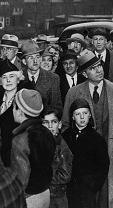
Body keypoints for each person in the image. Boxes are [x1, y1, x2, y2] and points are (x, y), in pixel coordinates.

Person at [61, 50, 113, 208]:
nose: (99, 70)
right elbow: (65, 125)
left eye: (99, 66)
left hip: (110, 154)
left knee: (107, 196)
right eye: (93, 68)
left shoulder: (112, 89)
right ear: (84, 74)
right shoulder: (74, 92)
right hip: (84, 163)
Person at [11, 88, 55, 208]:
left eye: (13, 106)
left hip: (28, 199)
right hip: (45, 193)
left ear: (19, 111)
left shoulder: (20, 140)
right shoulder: (47, 132)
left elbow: (21, 179)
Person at [62, 98, 109, 208]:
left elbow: (104, 165)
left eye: (85, 113)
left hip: (87, 190)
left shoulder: (97, 139)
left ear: (90, 115)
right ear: (73, 117)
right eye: (78, 114)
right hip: (68, 188)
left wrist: (93, 185)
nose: (82, 117)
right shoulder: (66, 136)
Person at [0, 58, 31, 167]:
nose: (8, 80)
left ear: (18, 79)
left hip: (17, 154)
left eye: (11, 76)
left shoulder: (24, 101)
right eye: (4, 77)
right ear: (0, 81)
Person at [41, 106, 73, 208]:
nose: (50, 126)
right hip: (44, 195)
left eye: (54, 122)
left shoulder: (62, 147)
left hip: (57, 199)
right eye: (46, 122)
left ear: (59, 125)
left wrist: (41, 176)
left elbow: (65, 175)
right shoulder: (42, 143)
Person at [21, 40, 62, 108]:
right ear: (24, 61)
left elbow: (57, 107)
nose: (35, 61)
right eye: (30, 58)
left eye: (37, 57)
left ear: (40, 59)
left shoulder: (53, 78)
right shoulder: (19, 77)